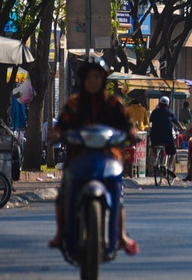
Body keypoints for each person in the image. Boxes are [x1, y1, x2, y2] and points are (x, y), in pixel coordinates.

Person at [48, 56, 139, 255]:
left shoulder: (115, 103)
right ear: (83, 79)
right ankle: (60, 232)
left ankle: (121, 234)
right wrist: (56, 134)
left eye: (97, 76)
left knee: (118, 194)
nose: (93, 80)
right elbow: (60, 126)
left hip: (109, 158)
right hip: (78, 157)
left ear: (103, 79)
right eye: (89, 77)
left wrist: (132, 134)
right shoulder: (74, 104)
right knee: (63, 195)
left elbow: (128, 126)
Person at [148, 96, 180, 177]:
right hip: (167, 138)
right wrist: (182, 127)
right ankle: (169, 167)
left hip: (154, 137)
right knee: (173, 152)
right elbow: (176, 122)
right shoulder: (170, 113)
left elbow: (150, 121)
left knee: (153, 147)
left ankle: (156, 160)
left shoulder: (154, 112)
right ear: (168, 104)